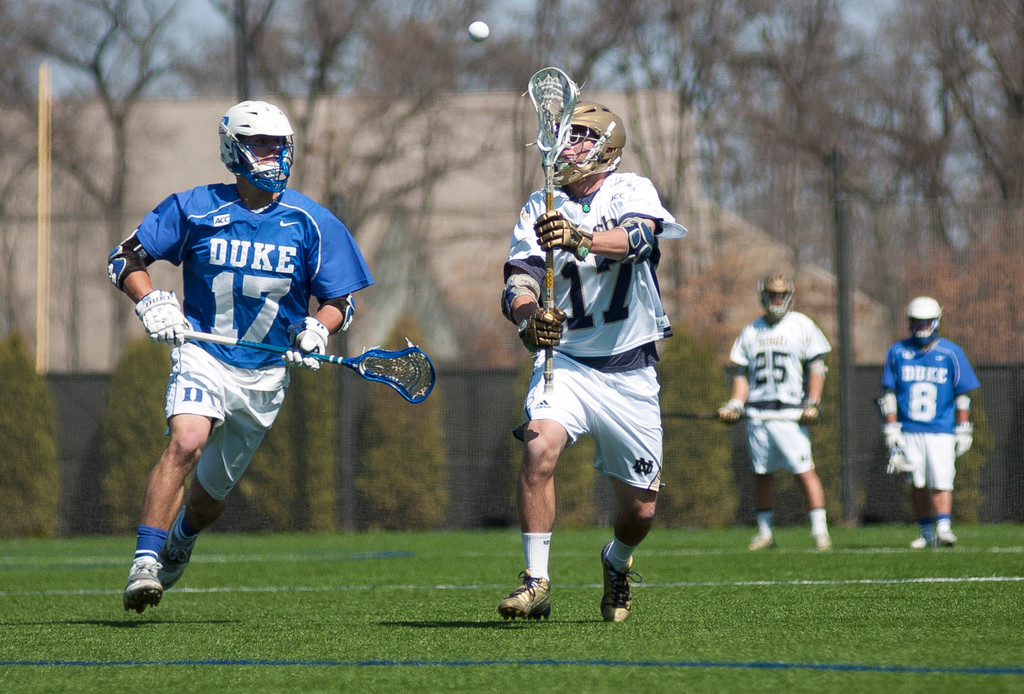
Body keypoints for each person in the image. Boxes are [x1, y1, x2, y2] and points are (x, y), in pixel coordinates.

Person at [108, 100, 374, 613]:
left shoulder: (310, 221)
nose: (275, 155)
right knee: (186, 441)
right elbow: (125, 259)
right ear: (234, 149)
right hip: (204, 354)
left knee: (207, 502)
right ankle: (144, 561)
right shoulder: (195, 207)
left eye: (281, 145)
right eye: (262, 144)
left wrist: (319, 329)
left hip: (266, 375)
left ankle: (182, 535)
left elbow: (341, 300)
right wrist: (152, 302)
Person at [498, 101, 686, 622]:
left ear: (606, 148)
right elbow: (519, 278)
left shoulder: (630, 189)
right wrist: (529, 319)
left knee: (640, 511)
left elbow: (641, 239)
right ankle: (537, 581)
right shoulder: (540, 203)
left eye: (581, 136)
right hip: (569, 363)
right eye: (566, 136)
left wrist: (579, 238)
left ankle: (617, 561)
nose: (568, 145)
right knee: (538, 445)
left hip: (629, 369)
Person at [717, 274, 832, 551]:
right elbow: (742, 373)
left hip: (790, 413)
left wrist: (813, 402)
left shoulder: (802, 325)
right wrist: (735, 403)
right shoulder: (751, 331)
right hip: (758, 413)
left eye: (780, 295)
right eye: (771, 295)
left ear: (789, 296)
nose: (776, 300)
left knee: (805, 471)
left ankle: (820, 531)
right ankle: (765, 532)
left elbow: (817, 367)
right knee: (762, 473)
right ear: (763, 296)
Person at [879, 296, 979, 548]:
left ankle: (944, 529)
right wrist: (891, 427)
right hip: (910, 428)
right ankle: (926, 532)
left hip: (941, 428)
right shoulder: (898, 351)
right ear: (910, 322)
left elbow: (962, 394)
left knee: (942, 479)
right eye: (917, 322)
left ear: (936, 322)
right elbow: (888, 392)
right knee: (916, 481)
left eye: (926, 322)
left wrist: (963, 427)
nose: (922, 327)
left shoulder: (951, 352)